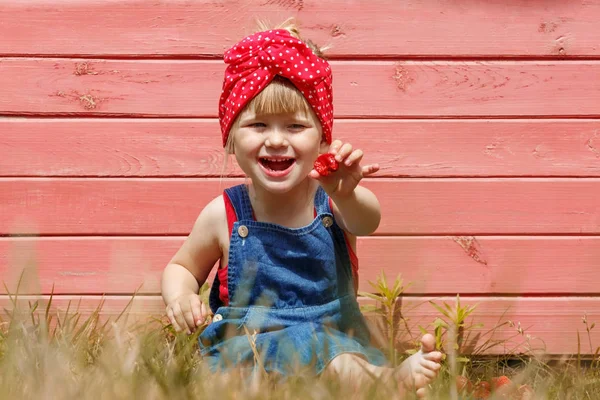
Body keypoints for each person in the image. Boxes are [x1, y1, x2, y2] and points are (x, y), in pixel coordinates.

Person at [161, 19, 442, 397]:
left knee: (339, 362)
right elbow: (182, 267)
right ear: (229, 138)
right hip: (249, 343)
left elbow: (367, 221)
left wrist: (345, 194)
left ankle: (388, 384)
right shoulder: (224, 213)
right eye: (258, 124)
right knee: (242, 378)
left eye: (295, 126)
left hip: (330, 339)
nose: (276, 140)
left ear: (323, 138)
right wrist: (181, 297)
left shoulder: (333, 202)